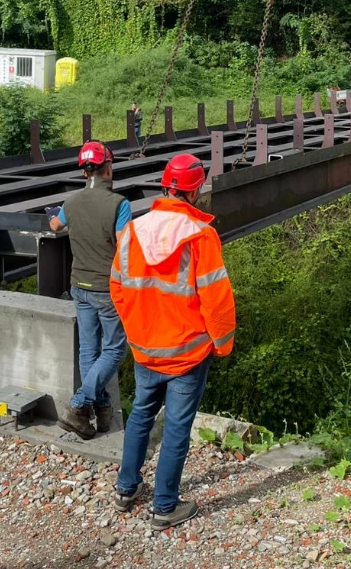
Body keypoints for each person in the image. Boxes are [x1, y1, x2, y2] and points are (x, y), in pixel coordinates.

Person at [111, 153, 235, 530]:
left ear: (166, 186)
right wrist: (223, 343)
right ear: (195, 190)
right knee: (177, 427)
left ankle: (125, 489)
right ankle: (165, 506)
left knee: (141, 416)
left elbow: (117, 287)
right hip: (187, 353)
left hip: (146, 350)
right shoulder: (200, 236)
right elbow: (216, 297)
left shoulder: (133, 230)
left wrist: (137, 330)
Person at [47, 141, 132, 440]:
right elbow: (125, 247)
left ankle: (101, 411)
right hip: (105, 289)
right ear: (109, 168)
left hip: (78, 287)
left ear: (85, 173)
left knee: (89, 350)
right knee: (115, 349)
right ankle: (78, 405)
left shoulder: (71, 203)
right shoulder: (119, 205)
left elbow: (56, 226)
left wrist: (52, 215)